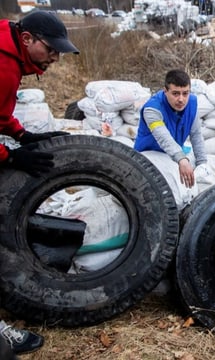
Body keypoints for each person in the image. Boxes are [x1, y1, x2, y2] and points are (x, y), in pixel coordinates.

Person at [0, 10, 79, 355]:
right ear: (28, 38)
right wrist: (10, 157)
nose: (56, 58)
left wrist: (22, 135)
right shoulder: (2, 64)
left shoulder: (9, 55)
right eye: (52, 49)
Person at [134, 69, 207, 189]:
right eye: (175, 93)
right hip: (149, 156)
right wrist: (182, 159)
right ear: (165, 91)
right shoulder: (152, 109)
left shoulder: (192, 103)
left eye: (185, 93)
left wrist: (203, 163)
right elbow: (163, 138)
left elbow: (196, 135)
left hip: (172, 156)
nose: (181, 99)